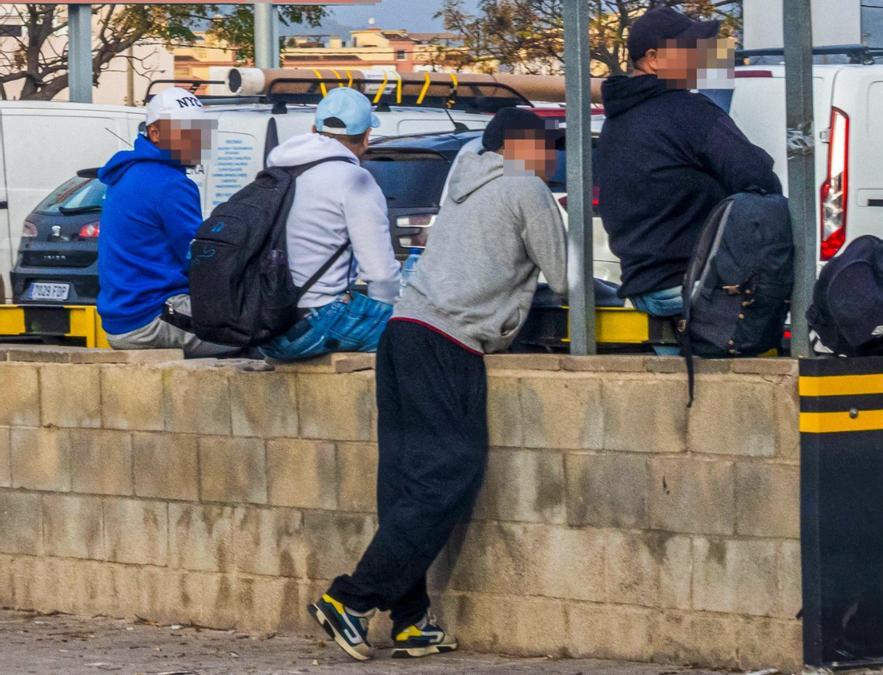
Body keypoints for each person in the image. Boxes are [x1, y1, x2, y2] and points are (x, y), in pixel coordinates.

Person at [307, 107, 567, 662]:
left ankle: (412, 621)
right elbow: (566, 277)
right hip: (449, 341)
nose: (552, 159)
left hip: (402, 331)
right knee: (448, 475)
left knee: (404, 483)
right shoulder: (526, 187)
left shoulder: (463, 181)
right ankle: (351, 599)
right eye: (547, 147)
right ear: (520, 148)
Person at [596, 6, 781, 322]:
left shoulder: (615, 122)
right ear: (654, 58)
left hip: (643, 289)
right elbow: (759, 178)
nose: (698, 58)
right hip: (692, 285)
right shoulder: (688, 111)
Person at [260, 88, 403, 361]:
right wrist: (385, 313)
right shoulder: (354, 180)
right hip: (317, 325)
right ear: (367, 136)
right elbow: (381, 276)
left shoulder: (277, 171)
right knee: (418, 329)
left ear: (314, 129)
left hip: (266, 328)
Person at [97, 87, 234, 357]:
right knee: (255, 332)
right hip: (153, 314)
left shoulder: (127, 173)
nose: (197, 140)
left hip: (122, 316)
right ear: (155, 133)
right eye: (186, 132)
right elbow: (199, 258)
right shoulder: (172, 184)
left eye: (200, 131)